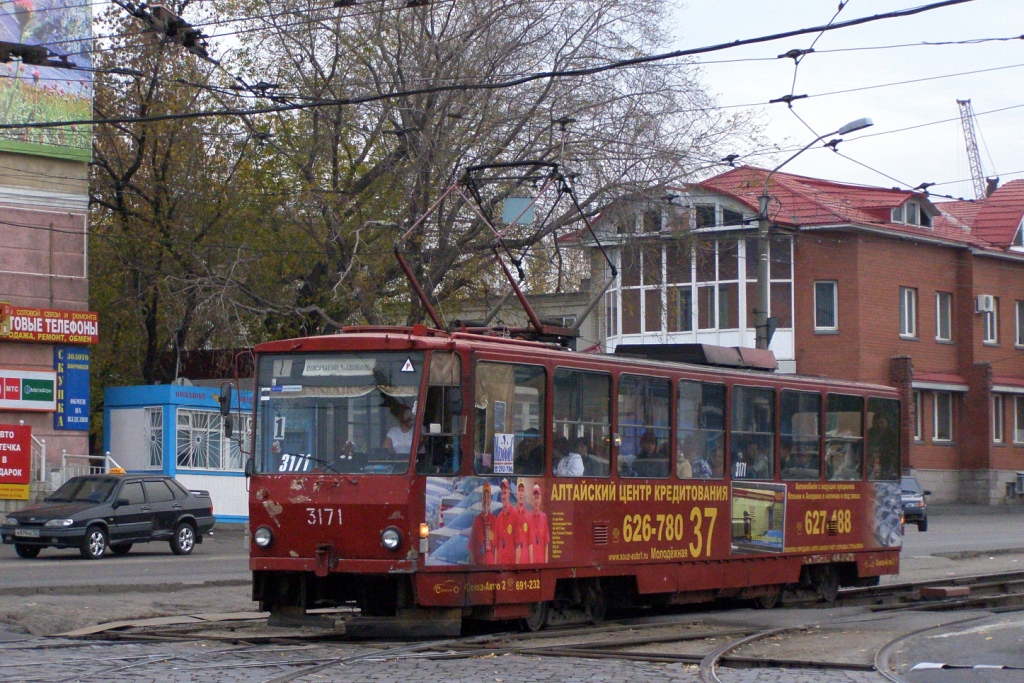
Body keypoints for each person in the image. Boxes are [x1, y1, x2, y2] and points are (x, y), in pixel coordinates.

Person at [469, 481, 497, 565]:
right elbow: (472, 549)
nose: (486, 500)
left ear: (491, 500)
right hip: (479, 571)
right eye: (484, 497)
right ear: (481, 499)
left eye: (488, 497)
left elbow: (497, 550)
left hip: (491, 571)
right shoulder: (476, 521)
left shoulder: (495, 521)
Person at [493, 479, 520, 565]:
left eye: (505, 493)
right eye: (502, 493)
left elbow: (518, 546)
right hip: (501, 570)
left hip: (511, 569)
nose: (503, 496)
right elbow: (496, 547)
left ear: (509, 494)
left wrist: (516, 570)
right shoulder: (499, 517)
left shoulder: (515, 515)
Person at [527, 483, 549, 563]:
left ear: (540, 499)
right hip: (531, 563)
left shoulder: (544, 517)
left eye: (538, 498)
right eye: (535, 498)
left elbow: (546, 543)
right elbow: (528, 544)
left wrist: (546, 563)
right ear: (532, 500)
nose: (536, 500)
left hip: (541, 562)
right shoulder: (528, 517)